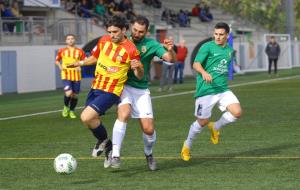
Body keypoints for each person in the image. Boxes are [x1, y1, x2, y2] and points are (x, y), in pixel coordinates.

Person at [67, 15, 144, 168]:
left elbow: (139, 75)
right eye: (109, 31)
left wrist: (138, 68)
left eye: (115, 32)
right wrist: (80, 63)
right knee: (90, 120)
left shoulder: (131, 49)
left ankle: (105, 142)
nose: (112, 35)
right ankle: (107, 145)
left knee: (85, 116)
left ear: (123, 30)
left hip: (111, 91)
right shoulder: (103, 40)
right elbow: (94, 57)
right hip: (96, 87)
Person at [110, 15, 175, 170]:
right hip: (124, 86)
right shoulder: (122, 40)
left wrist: (170, 51)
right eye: (135, 30)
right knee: (124, 114)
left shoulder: (151, 44)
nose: (136, 33)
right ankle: (115, 155)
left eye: (140, 31)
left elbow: (170, 59)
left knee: (149, 129)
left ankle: (149, 153)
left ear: (147, 32)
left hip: (141, 89)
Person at [180, 22, 242, 161]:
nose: (218, 37)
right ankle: (187, 145)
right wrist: (204, 73)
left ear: (227, 35)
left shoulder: (229, 51)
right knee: (202, 122)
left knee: (237, 112)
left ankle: (216, 126)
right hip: (206, 90)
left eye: (221, 35)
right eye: (216, 34)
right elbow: (196, 64)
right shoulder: (207, 46)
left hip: (222, 89)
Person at [55, 34, 86, 119]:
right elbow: (57, 61)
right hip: (66, 75)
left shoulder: (80, 51)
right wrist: (60, 67)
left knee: (75, 95)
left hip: (76, 76)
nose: (70, 40)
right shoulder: (62, 50)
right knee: (68, 93)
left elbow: (85, 61)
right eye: (68, 39)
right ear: (66, 41)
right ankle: (65, 107)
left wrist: (80, 65)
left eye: (72, 38)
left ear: (74, 40)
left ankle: (71, 111)